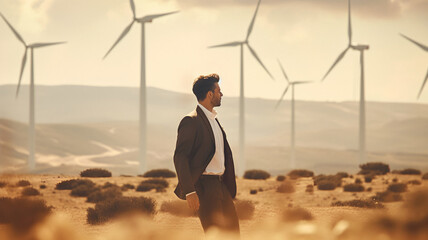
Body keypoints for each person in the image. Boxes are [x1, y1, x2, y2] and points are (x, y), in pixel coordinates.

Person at [173, 73, 240, 234]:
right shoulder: (191, 121)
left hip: (221, 186)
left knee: (233, 234)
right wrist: (190, 191)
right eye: (218, 91)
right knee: (215, 234)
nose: (221, 94)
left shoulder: (214, 120)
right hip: (205, 187)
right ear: (210, 94)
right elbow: (180, 157)